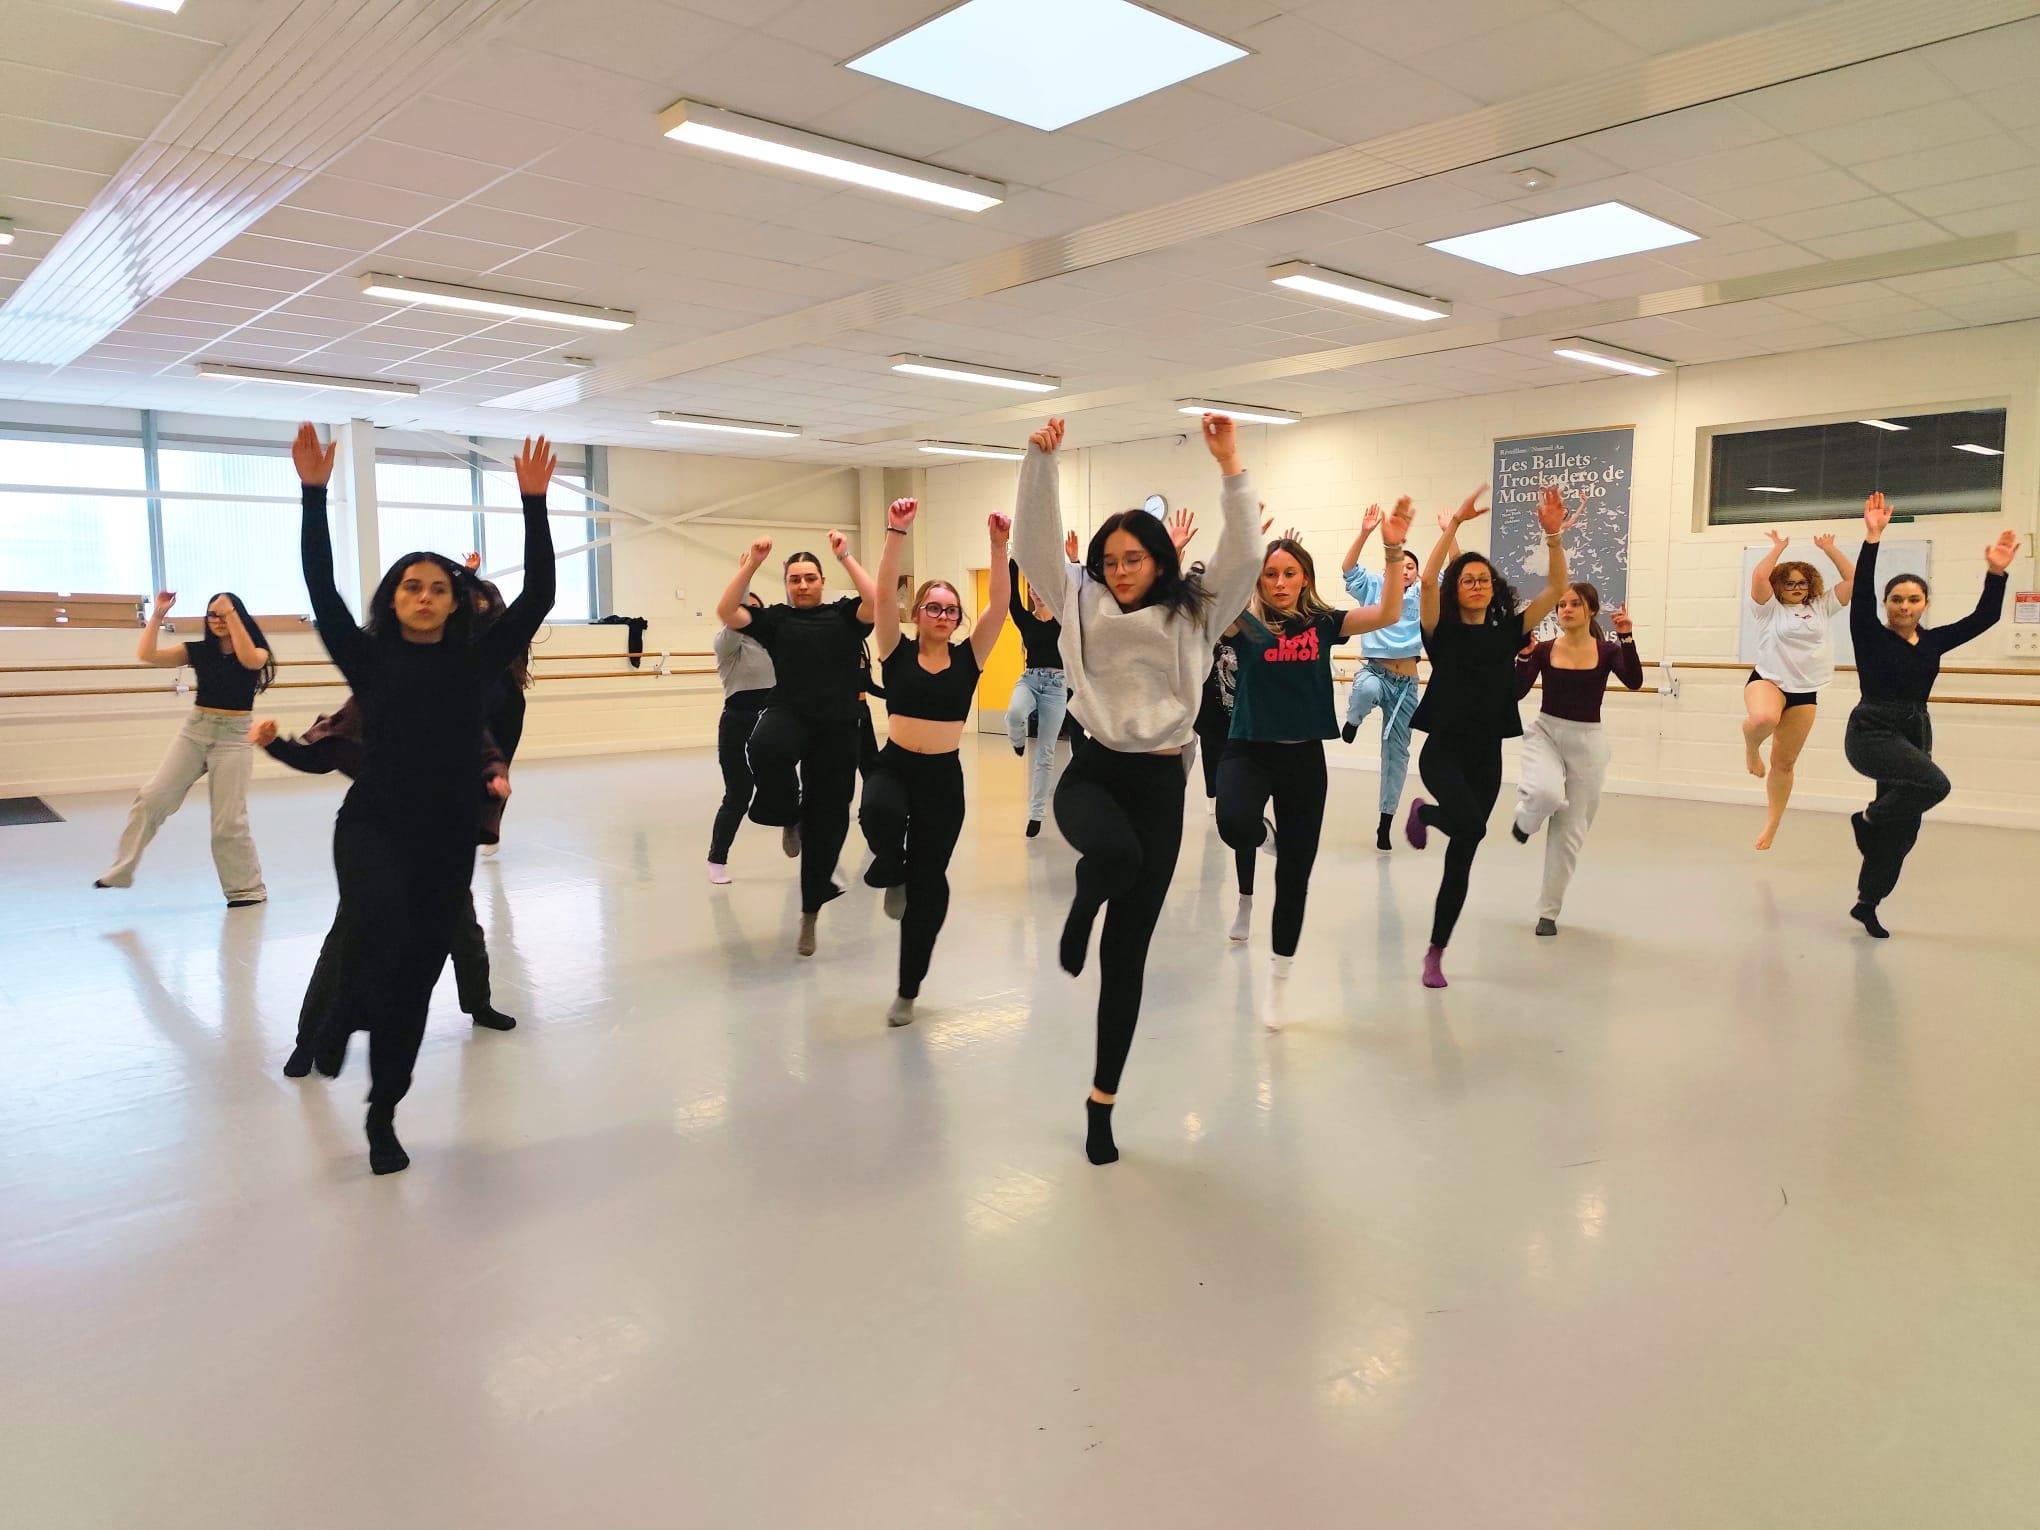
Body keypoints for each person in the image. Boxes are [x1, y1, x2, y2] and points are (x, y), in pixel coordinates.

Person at [293, 422, 556, 1176]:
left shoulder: (479, 663)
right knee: (376, 928)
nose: (425, 595)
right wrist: (315, 494)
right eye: (412, 584)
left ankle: (384, 1115)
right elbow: (319, 585)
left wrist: (533, 504)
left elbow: (538, 594)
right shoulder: (366, 655)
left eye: (439, 587)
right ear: (396, 597)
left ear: (457, 604)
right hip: (373, 826)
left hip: (444, 837)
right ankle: (343, 1012)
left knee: (416, 978)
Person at [1014, 414, 1259, 1166]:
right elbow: (1030, 543)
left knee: (1128, 959)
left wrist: (1230, 467)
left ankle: (1101, 1102)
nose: (1120, 570)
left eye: (1134, 558)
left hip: (1161, 781)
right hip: (1092, 772)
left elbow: (1245, 554)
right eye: (1110, 559)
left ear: (1158, 560)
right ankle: (1083, 902)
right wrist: (1041, 460)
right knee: (1111, 856)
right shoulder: (1077, 597)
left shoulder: (1196, 611)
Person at [250, 695, 519, 1069]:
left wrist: (493, 775)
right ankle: (308, 1040)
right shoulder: (372, 697)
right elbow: (321, 754)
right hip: (376, 834)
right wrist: (273, 744)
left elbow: (486, 750)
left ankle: (479, 1004)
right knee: (348, 936)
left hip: (437, 835)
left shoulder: (454, 696)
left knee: (463, 929)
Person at [1217, 510, 1413, 993]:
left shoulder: (1324, 622)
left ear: (1304, 579)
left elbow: (1388, 613)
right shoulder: (1245, 625)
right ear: (1259, 581)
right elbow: (1211, 605)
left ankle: (1279, 979)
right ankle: (1266, 837)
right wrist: (1244, 550)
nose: (1280, 582)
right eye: (1270, 574)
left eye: (1289, 573)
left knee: (1294, 876)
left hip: (1303, 759)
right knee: (1233, 824)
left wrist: (1391, 551)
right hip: (1249, 749)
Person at [1404, 482, 1571, 989]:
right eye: (1467, 579)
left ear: (1494, 588)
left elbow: (1557, 589)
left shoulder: (1508, 631)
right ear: (1458, 589)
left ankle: (1436, 952)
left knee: (1463, 855)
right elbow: (1428, 580)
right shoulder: (1441, 631)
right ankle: (1427, 811)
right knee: (1471, 826)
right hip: (1443, 753)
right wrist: (1453, 525)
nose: (1475, 584)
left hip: (1486, 756)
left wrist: (1553, 535)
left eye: (1483, 579)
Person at [859, 499, 1012, 1026]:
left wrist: (997, 546)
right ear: (918, 612)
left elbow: (998, 604)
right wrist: (895, 531)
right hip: (895, 765)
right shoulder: (893, 650)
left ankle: (908, 988)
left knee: (932, 888)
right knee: (877, 810)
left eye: (951, 610)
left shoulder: (971, 657)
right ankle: (891, 870)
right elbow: (881, 594)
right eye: (934, 607)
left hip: (942, 781)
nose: (944, 616)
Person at [1843, 492, 2016, 937]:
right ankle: (1868, 820)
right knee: (1935, 784)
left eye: (1914, 599)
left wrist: (1996, 572)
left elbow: (1985, 618)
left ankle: (1868, 902)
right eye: (1897, 599)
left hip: (1915, 730)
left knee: (1904, 831)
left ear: (1925, 603)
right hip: (1872, 729)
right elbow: (1861, 593)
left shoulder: (1935, 641)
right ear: (1886, 604)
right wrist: (1873, 537)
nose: (1904, 606)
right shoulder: (1869, 634)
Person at [716, 533, 877, 957]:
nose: (802, 585)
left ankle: (809, 914)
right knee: (764, 747)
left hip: (839, 725)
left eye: (809, 578)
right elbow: (727, 611)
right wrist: (750, 564)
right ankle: (789, 815)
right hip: (789, 712)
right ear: (786, 584)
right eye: (794, 579)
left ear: (822, 580)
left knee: (830, 822)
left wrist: (846, 556)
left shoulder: (843, 616)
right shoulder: (776, 620)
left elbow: (875, 602)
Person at [96, 590, 275, 905]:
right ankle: (122, 870)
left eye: (224, 614)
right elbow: (147, 655)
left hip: (233, 738)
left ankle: (246, 889)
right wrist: (158, 615)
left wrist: (230, 613)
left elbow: (249, 660)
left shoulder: (255, 650)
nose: (218, 621)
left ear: (238, 615)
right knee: (152, 797)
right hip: (196, 731)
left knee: (228, 820)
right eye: (213, 615)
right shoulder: (198, 651)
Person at [1508, 583, 1644, 935]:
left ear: (1590, 611)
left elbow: (1634, 681)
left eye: (1574, 604)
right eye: (1561, 605)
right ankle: (1525, 821)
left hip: (1588, 743)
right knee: (1545, 793)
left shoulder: (1608, 650)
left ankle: (1548, 913)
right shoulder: (1545, 650)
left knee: (1570, 832)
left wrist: (1627, 636)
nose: (1565, 610)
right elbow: (1516, 691)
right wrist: (1523, 656)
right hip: (1547, 734)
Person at [1744, 529, 1856, 850]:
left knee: (1785, 763)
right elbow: (1759, 575)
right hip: (1768, 681)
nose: (1796, 588)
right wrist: (1777, 548)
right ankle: (1751, 748)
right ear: (1779, 586)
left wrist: (1831, 549)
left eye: (1802, 583)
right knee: (1764, 718)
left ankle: (1772, 823)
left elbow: (1853, 579)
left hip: (1805, 691)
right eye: (1789, 583)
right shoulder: (1768, 608)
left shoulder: (1821, 606)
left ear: (1810, 585)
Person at [1340, 502, 1431, 851]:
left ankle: (1385, 822)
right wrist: (1365, 532)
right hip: (1375, 671)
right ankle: (1353, 719)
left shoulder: (1424, 595)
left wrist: (1450, 530)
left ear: (1417, 573)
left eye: (1412, 567)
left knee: (1397, 756)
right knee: (1363, 690)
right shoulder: (1376, 585)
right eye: (1401, 565)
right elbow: (1348, 568)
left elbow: (1448, 573)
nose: (1405, 571)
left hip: (1406, 683)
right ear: (1390, 567)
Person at [707, 586, 776, 884]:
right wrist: (747, 578)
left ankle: (792, 822)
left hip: (772, 721)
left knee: (785, 782)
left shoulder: (772, 643)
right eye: (743, 609)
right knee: (738, 793)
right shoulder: (727, 643)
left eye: (755, 610)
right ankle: (717, 859)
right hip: (737, 721)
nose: (749, 613)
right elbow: (735, 614)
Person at [1004, 556, 1066, 837]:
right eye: (1032, 588)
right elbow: (1010, 598)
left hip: (1056, 687)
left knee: (1046, 753)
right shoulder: (1024, 619)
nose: (1036, 592)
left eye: (1041, 588)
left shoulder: (1063, 619)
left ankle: (1036, 814)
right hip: (1029, 680)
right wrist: (1014, 561)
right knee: (1014, 713)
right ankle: (1017, 741)